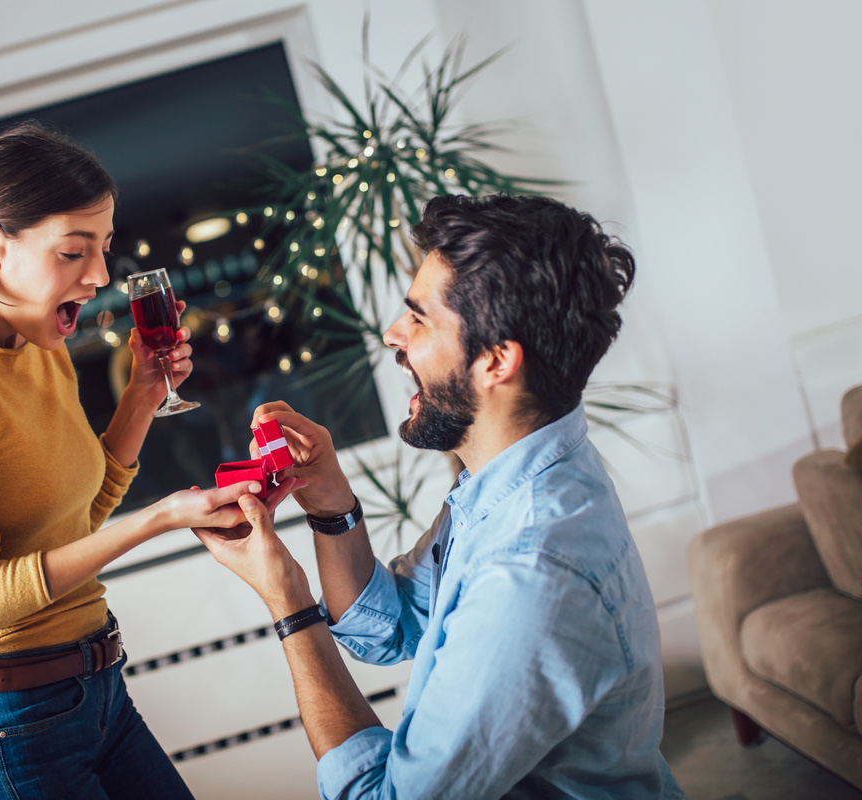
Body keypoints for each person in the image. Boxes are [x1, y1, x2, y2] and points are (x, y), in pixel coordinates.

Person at [195, 193, 688, 799]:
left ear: (497, 361)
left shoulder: (531, 568)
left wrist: (288, 603)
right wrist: (329, 503)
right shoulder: (513, 477)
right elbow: (391, 626)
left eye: (419, 319)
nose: (391, 335)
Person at [0, 120, 295, 800]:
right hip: (10, 722)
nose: (99, 276)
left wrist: (142, 398)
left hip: (97, 695)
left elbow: (76, 519)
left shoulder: (41, 345)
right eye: (73, 252)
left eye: (103, 249)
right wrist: (160, 519)